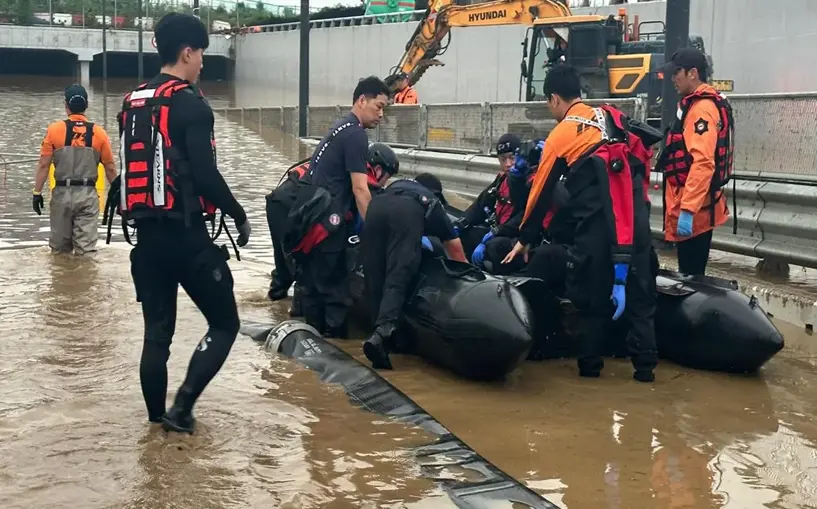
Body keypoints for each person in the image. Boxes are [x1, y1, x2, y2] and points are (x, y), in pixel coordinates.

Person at [115, 12, 251, 434]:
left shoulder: (132, 102)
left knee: (157, 336)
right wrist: (238, 213)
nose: (203, 63)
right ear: (187, 52)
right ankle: (183, 408)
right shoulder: (192, 104)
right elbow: (206, 176)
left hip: (146, 241)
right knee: (225, 323)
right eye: (202, 55)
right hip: (188, 238)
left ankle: (155, 423)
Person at [502, 64, 657, 382]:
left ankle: (590, 371)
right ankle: (645, 371)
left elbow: (540, 192)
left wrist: (525, 238)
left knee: (591, 300)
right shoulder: (612, 116)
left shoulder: (561, 135)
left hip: (597, 226)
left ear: (554, 99)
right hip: (634, 221)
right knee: (641, 297)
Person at [287, 76, 391, 338]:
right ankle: (335, 343)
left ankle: (310, 340)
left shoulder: (339, 127)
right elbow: (360, 189)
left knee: (313, 286)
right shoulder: (356, 135)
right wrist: (374, 233)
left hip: (311, 218)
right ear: (362, 100)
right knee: (334, 290)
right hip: (328, 223)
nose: (381, 115)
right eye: (379, 107)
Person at [266, 142, 400, 301]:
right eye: (386, 178)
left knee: (285, 263)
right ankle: (296, 310)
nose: (384, 183)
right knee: (306, 267)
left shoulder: (339, 160)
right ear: (378, 170)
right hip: (295, 210)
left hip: (278, 202)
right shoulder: (362, 178)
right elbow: (369, 217)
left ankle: (273, 303)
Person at [362, 173, 467, 370]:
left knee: (374, 275)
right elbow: (454, 245)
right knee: (398, 275)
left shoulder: (395, 186)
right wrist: (468, 275)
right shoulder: (431, 201)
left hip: (375, 207)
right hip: (406, 212)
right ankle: (383, 334)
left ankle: (377, 336)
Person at [657, 47, 734, 276]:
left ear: (692, 73)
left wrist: (688, 210)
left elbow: (703, 163)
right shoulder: (693, 104)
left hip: (696, 212)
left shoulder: (701, 109)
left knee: (691, 277)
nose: (673, 79)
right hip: (695, 206)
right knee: (690, 274)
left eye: (676, 73)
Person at [32, 84, 117, 255]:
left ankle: (62, 273)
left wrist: (37, 192)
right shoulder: (99, 133)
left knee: (59, 252)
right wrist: (117, 194)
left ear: (66, 105)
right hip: (87, 196)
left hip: (61, 195)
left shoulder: (54, 130)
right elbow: (110, 168)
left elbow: (43, 165)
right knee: (86, 252)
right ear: (86, 105)